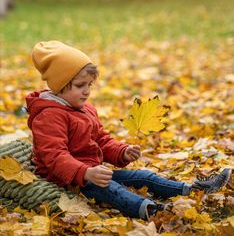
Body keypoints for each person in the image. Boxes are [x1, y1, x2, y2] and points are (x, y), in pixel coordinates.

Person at [26, 41, 232, 220]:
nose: (87, 91)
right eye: (80, 85)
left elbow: (100, 139)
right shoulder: (49, 116)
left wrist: (121, 151)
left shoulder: (83, 108)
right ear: (60, 85)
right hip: (68, 178)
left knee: (143, 177)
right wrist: (86, 173)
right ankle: (153, 211)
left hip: (93, 172)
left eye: (90, 84)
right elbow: (54, 156)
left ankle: (191, 189)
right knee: (113, 190)